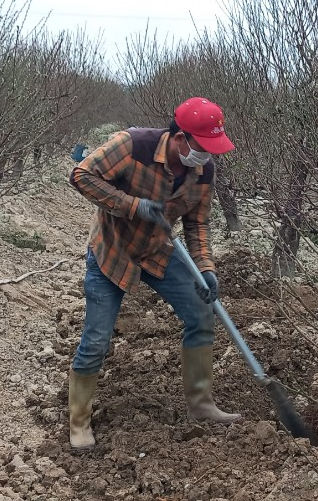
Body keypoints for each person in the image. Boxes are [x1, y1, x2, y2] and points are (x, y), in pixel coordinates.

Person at [65, 97, 239, 450]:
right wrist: (134, 205)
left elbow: (197, 224)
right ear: (179, 139)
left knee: (201, 313)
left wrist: (206, 268)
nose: (206, 156)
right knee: (97, 339)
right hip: (111, 251)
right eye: (202, 147)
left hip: (159, 252)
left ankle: (202, 404)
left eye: (212, 149)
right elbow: (80, 174)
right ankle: (79, 422)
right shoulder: (133, 144)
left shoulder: (203, 171)